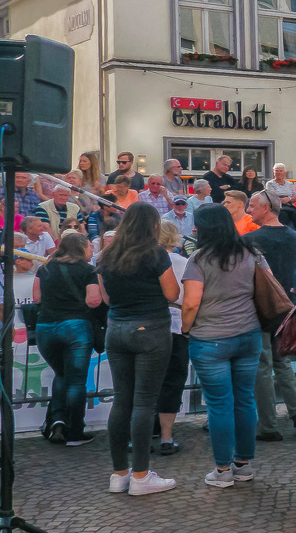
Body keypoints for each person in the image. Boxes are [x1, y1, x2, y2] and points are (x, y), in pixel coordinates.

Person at [97, 201, 180, 495]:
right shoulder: (155, 253)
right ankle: (142, 476)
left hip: (116, 327)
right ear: (152, 225)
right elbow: (172, 293)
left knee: (122, 402)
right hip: (151, 328)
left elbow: (105, 298)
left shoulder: (107, 255)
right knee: (144, 403)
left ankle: (119, 473)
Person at [183, 203, 266, 488]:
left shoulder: (199, 259)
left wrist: (185, 328)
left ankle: (222, 470)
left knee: (220, 405)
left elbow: (191, 301)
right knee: (245, 399)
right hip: (248, 334)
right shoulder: (251, 253)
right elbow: (267, 286)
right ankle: (243, 464)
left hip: (210, 338)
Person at [246, 193, 296, 439]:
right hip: (286, 307)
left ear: (266, 208)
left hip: (259, 308)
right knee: (282, 363)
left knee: (263, 365)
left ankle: (269, 425)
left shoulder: (250, 239)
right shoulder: (294, 237)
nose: (249, 210)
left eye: (252, 206)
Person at [33, 232, 101, 446]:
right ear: (81, 248)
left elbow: (36, 298)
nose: (91, 250)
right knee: (76, 381)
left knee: (61, 374)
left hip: (45, 327)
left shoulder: (44, 268)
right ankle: (74, 432)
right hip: (75, 327)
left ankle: (57, 421)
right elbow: (93, 301)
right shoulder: (88, 270)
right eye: (89, 246)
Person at [154, 221, 190, 456]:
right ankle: (166, 437)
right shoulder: (183, 263)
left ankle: (140, 434)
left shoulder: (138, 261)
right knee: (172, 382)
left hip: (149, 325)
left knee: (144, 383)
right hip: (176, 326)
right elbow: (188, 299)